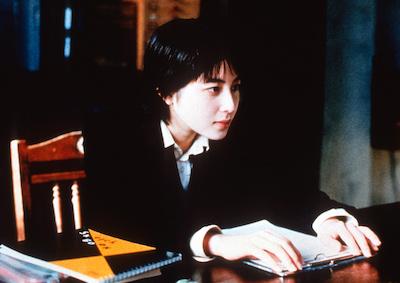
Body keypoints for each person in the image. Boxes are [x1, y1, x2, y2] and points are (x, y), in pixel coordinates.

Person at [82, 18, 381, 274]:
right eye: (213, 89)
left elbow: (285, 194)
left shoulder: (233, 137)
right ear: (167, 93)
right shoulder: (114, 139)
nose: (230, 105)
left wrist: (328, 218)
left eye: (235, 88)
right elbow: (118, 230)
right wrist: (215, 242)